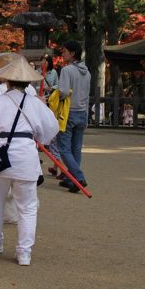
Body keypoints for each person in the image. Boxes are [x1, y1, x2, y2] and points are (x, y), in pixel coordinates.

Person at [0, 57, 59, 266]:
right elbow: (51, 129)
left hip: (0, 157)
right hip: (26, 157)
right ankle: (24, 252)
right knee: (28, 207)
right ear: (28, 82)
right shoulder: (35, 103)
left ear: (6, 80)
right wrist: (38, 138)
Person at [57, 40, 91, 193]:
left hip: (69, 112)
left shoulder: (67, 70)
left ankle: (78, 177)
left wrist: (55, 93)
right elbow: (88, 95)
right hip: (82, 112)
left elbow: (63, 91)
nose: (62, 54)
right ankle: (71, 179)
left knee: (63, 148)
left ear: (72, 53)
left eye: (64, 51)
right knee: (76, 148)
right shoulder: (87, 72)